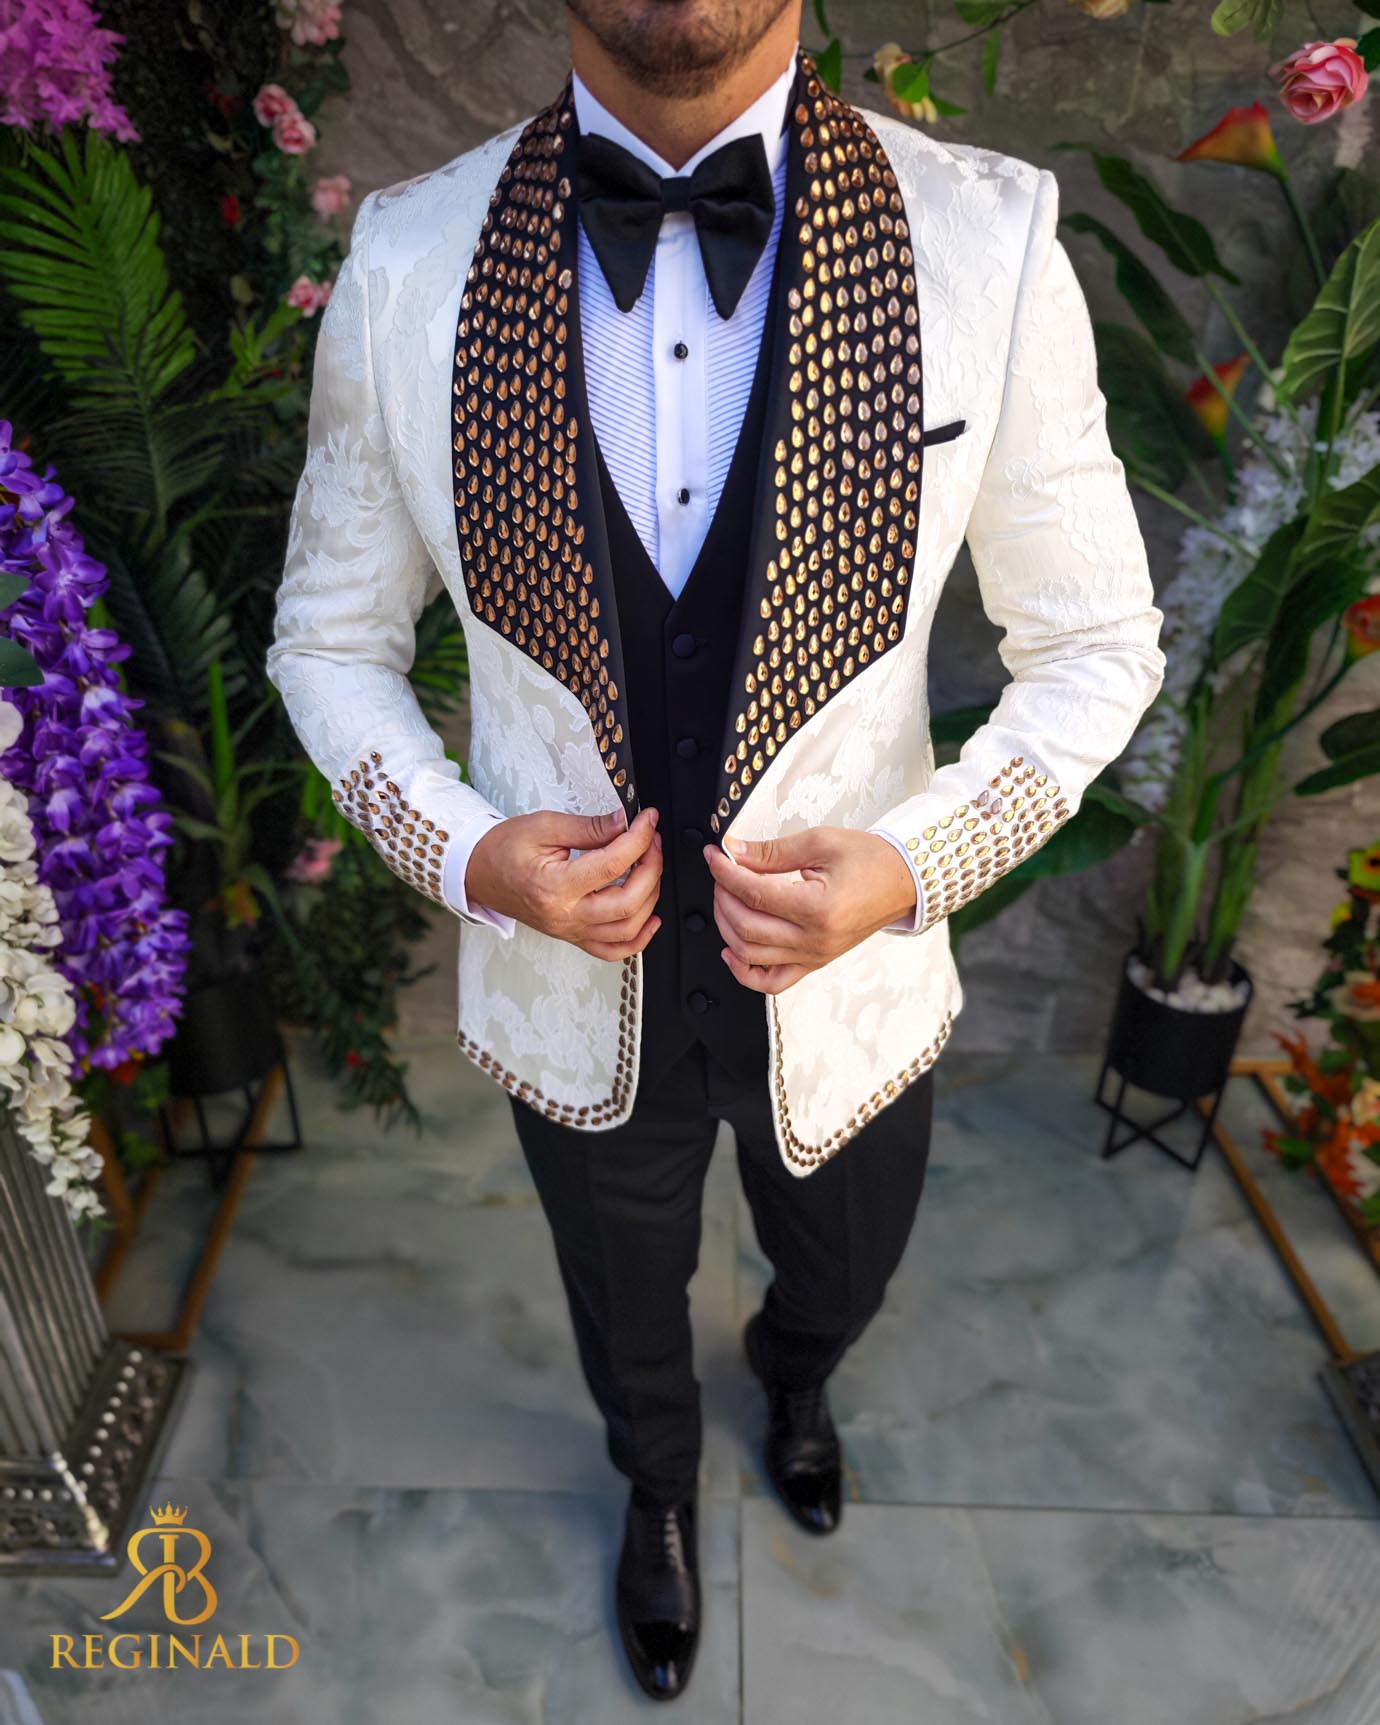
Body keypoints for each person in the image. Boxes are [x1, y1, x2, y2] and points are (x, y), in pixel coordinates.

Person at [267, 0, 1165, 1699]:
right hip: (569, 980)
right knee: (618, 1294)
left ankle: (799, 1377)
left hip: (851, 980)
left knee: (844, 1264)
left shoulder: (983, 239)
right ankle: (657, 1484)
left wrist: (914, 869)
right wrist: (470, 854)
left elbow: (1099, 647)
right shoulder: (410, 258)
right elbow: (326, 639)